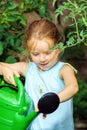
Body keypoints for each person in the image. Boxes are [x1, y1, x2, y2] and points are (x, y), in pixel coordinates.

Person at [0, 19, 78, 130]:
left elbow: (73, 87)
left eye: (48, 53)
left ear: (59, 47)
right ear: (29, 51)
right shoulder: (28, 68)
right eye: (35, 54)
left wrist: (52, 100)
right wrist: (3, 69)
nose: (42, 59)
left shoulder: (64, 69)